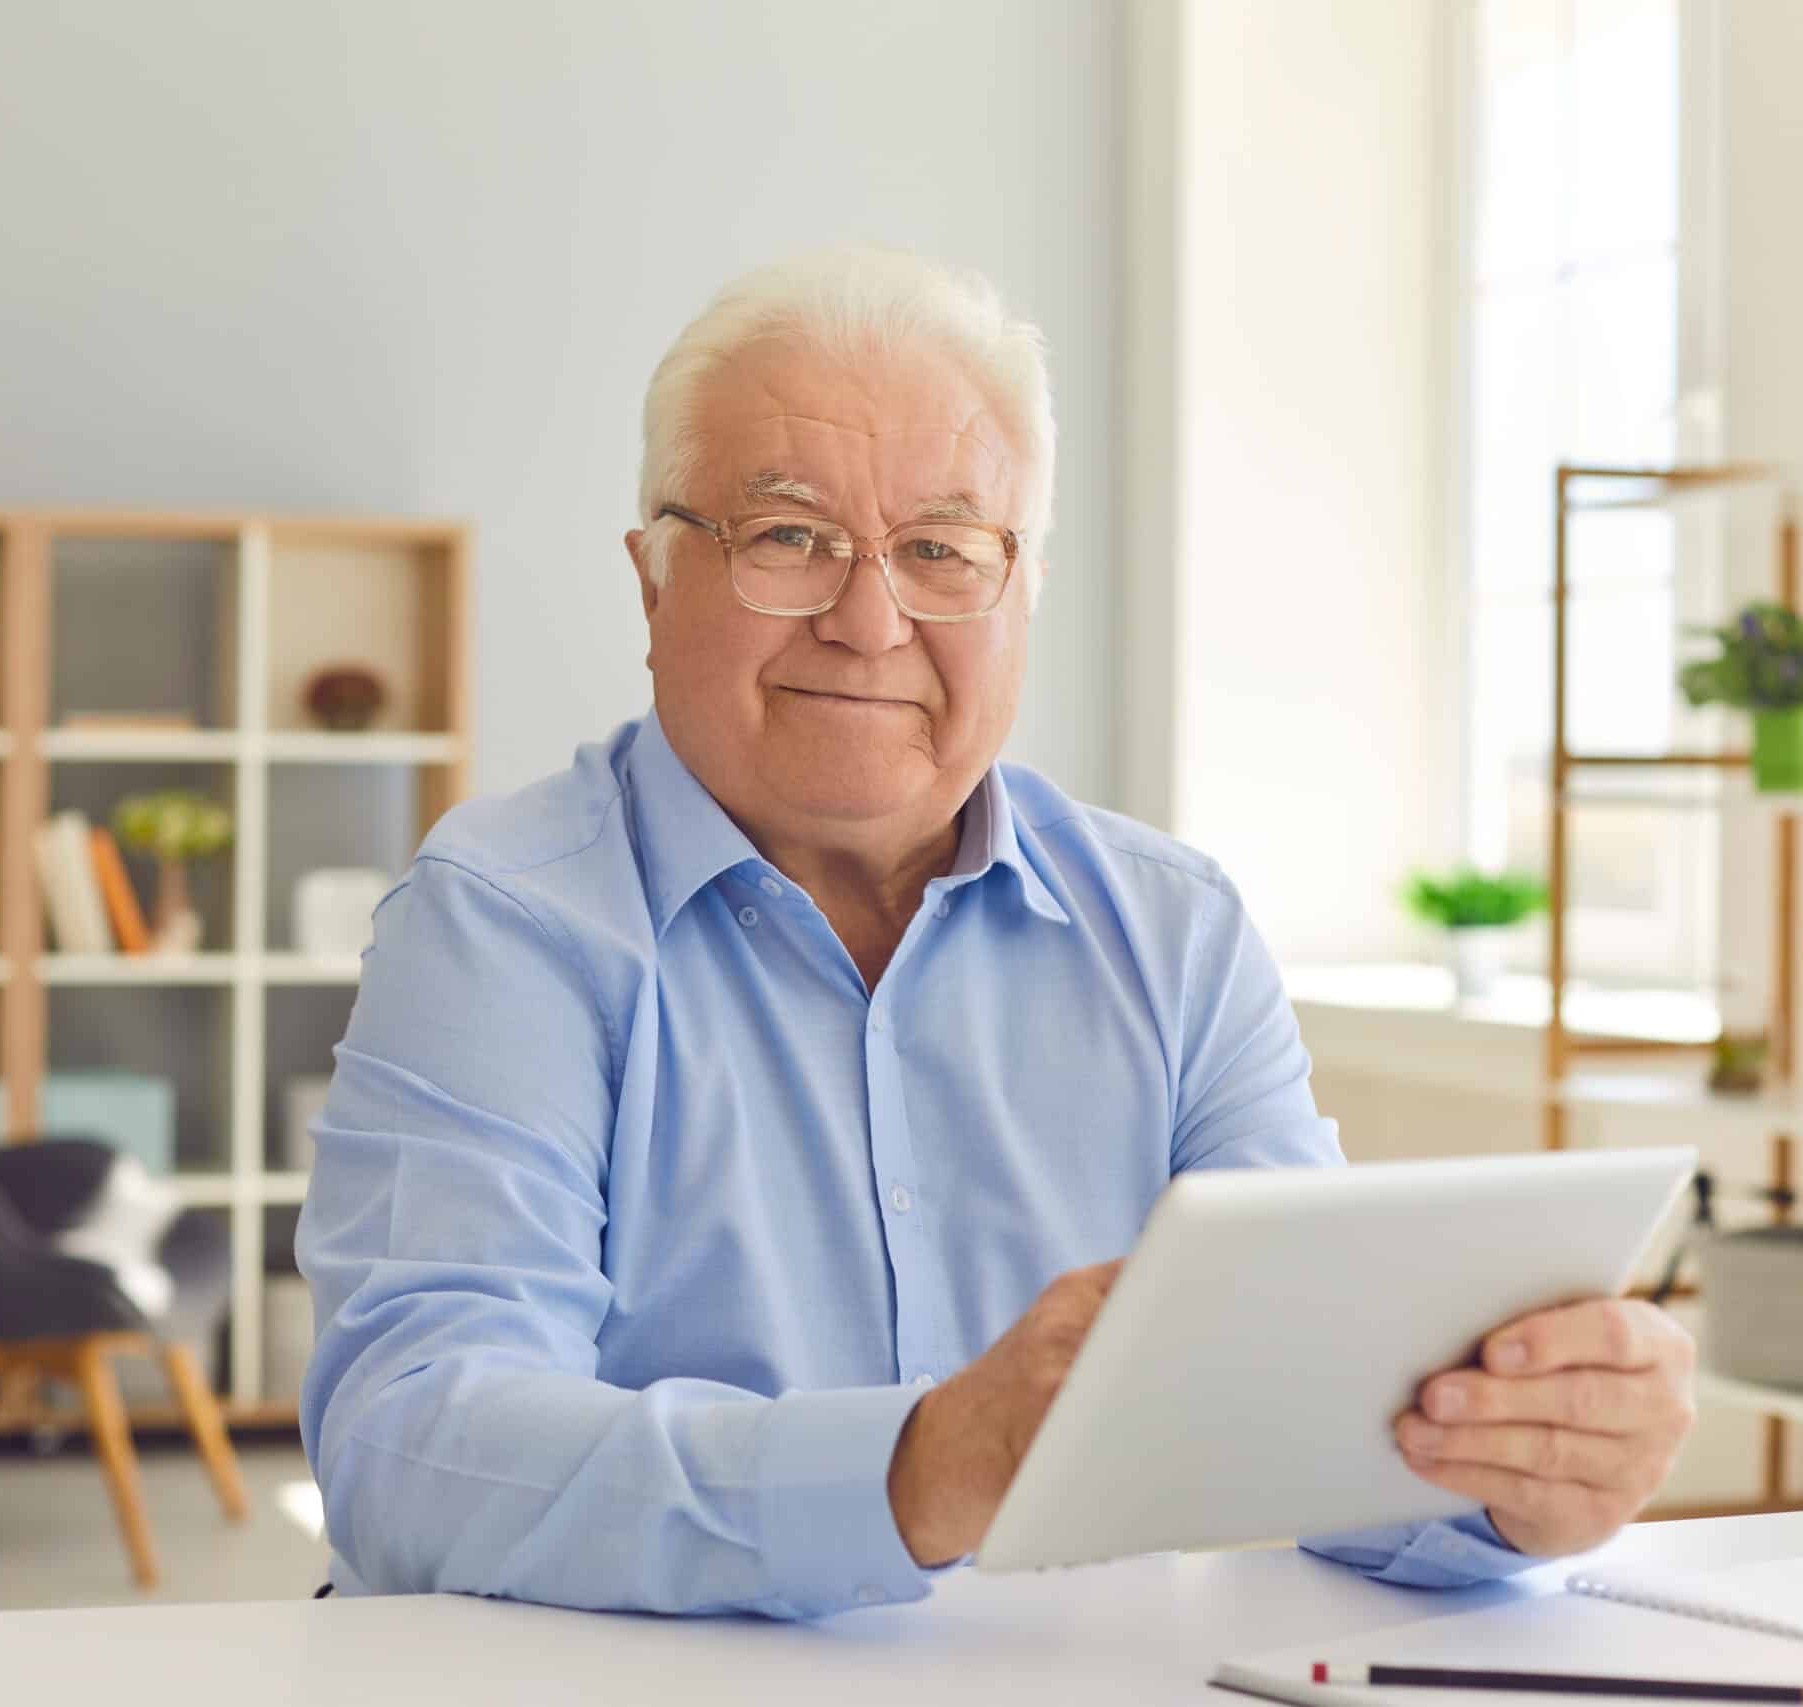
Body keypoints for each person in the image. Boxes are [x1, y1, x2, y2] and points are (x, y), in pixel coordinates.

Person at [296, 247, 1697, 1617]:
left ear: (1022, 592)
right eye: (788, 537)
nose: (868, 619)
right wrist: (920, 1468)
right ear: (656, 579)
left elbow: (1304, 1412)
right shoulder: (507, 915)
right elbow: (415, 1446)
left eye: (941, 550)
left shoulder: (1172, 929)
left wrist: (1508, 1483)